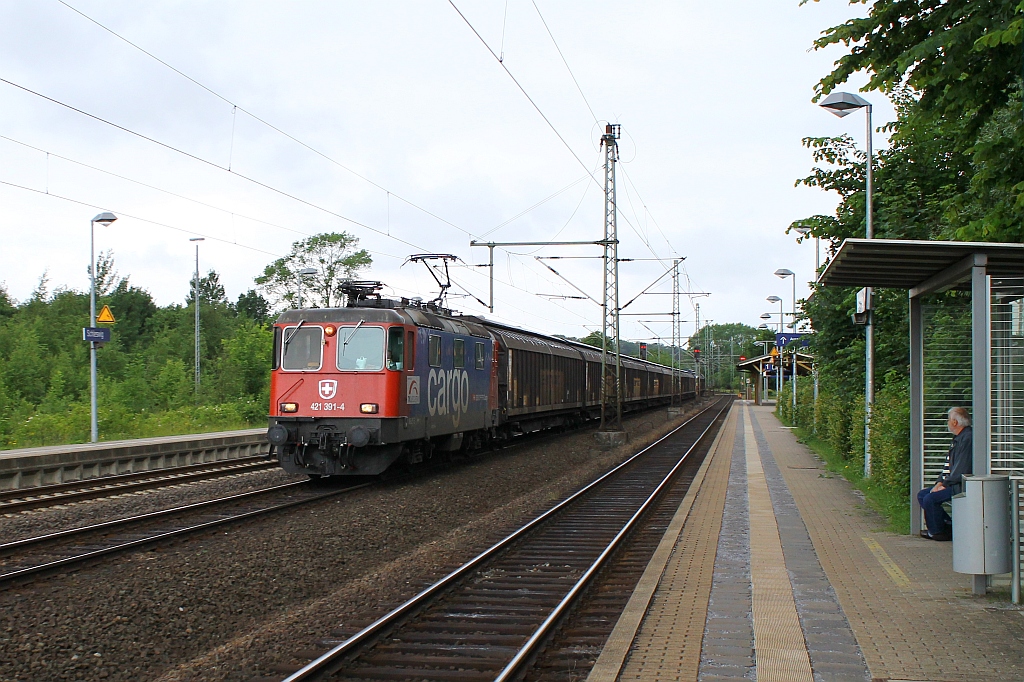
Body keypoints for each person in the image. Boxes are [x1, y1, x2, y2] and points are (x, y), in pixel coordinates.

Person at [917, 407, 973, 541]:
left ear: (954, 422)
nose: (947, 423)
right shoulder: (958, 438)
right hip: (953, 482)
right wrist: (939, 482)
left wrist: (945, 484)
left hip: (960, 484)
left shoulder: (967, 439)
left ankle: (937, 532)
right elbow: (948, 466)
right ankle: (947, 527)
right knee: (923, 495)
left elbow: (962, 467)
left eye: (948, 420)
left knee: (930, 499)